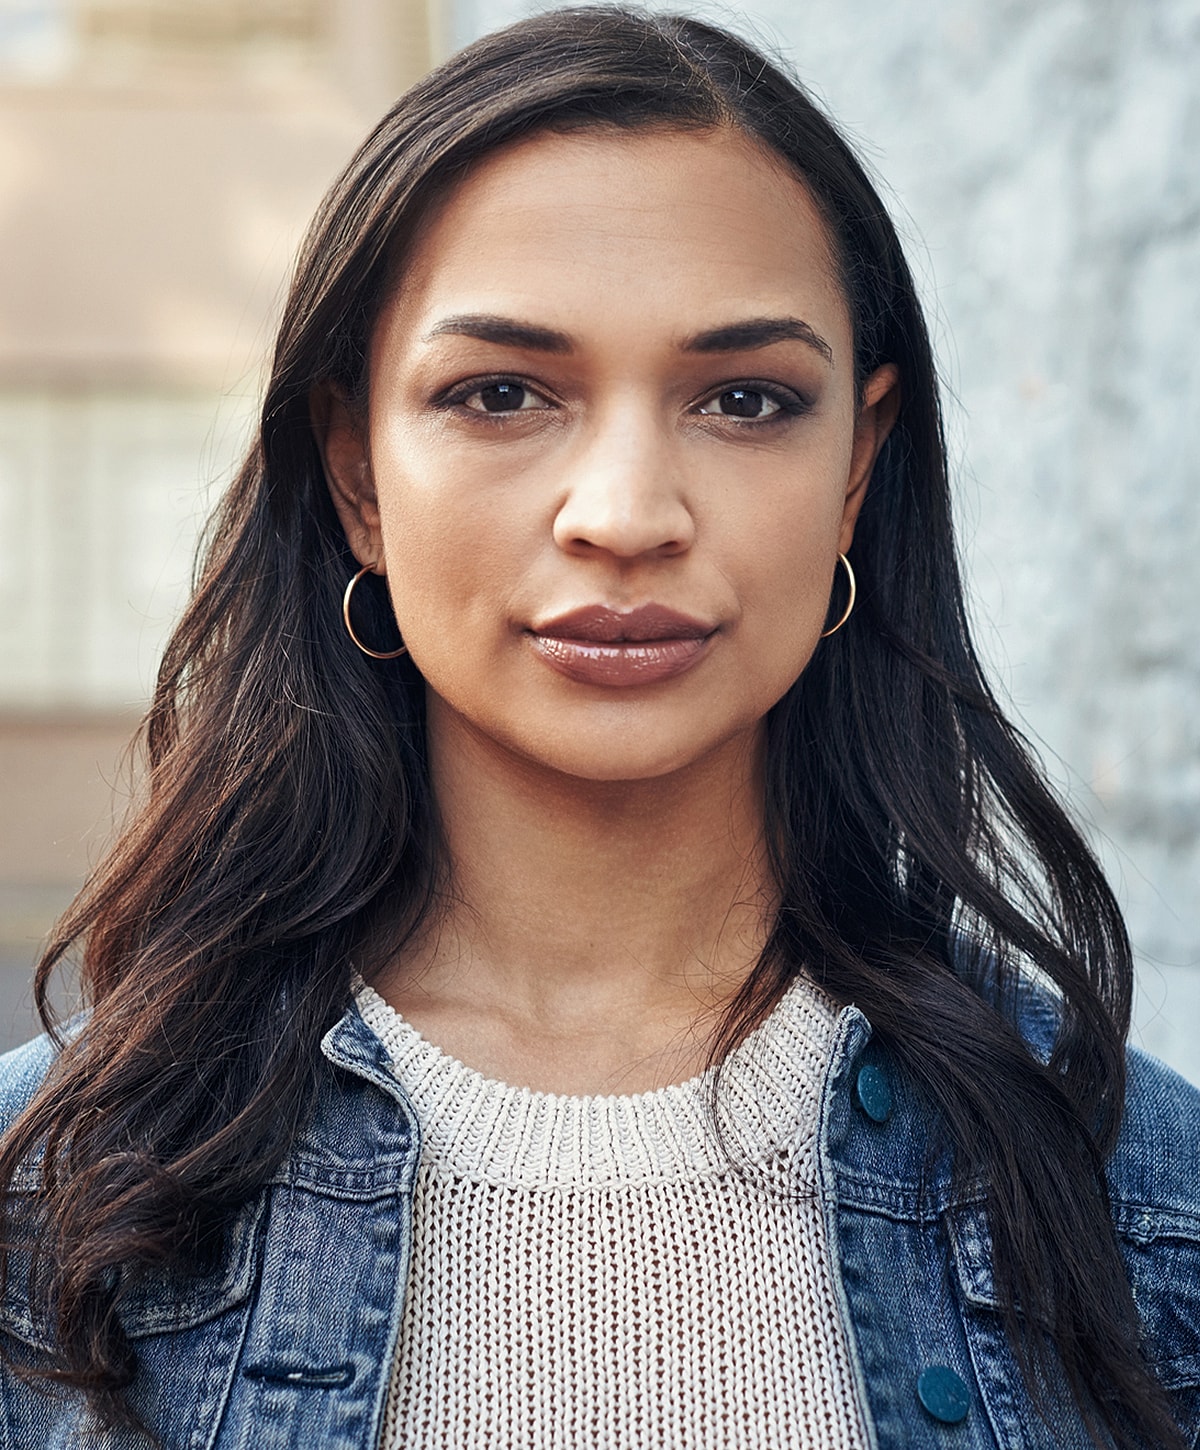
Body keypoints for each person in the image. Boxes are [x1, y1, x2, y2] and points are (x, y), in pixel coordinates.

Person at [1, 7, 1197, 1448]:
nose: (627, 513)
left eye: (746, 399)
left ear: (859, 469)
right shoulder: (60, 1206)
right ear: (357, 476)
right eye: (501, 394)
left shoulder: (1139, 1206)